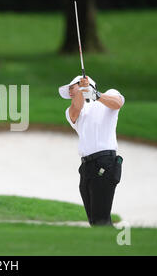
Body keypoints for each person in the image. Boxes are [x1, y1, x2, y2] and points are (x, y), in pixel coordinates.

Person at [58, 75, 125, 226]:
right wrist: (82, 90)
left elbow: (118, 103)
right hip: (86, 168)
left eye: (72, 87)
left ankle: (113, 248)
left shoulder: (109, 96)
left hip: (105, 163)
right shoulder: (72, 112)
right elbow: (76, 110)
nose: (69, 92)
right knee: (94, 222)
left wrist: (94, 94)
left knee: (101, 221)